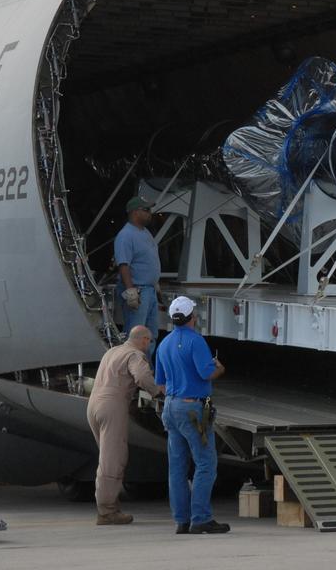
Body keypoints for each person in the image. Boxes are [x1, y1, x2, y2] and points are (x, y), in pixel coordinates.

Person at [155, 296, 229, 534]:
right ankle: (201, 518)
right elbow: (206, 373)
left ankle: (182, 520)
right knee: (205, 463)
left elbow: (161, 384)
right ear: (192, 318)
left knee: (176, 466)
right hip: (192, 408)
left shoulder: (164, 343)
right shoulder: (196, 341)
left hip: (170, 407)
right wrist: (219, 368)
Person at [86, 325, 164, 525]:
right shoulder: (135, 355)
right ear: (144, 340)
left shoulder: (113, 351)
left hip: (93, 405)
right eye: (149, 341)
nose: (149, 345)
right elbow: (142, 376)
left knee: (106, 456)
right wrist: (158, 391)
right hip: (112, 406)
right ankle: (107, 511)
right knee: (113, 459)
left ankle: (110, 505)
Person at [115, 196, 162, 362]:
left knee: (150, 334)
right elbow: (123, 265)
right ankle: (132, 371)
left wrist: (155, 285)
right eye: (146, 210)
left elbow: (148, 261)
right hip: (139, 291)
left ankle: (146, 369)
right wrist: (130, 291)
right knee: (136, 334)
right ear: (135, 212)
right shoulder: (125, 235)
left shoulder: (145, 232)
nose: (150, 213)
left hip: (149, 289)